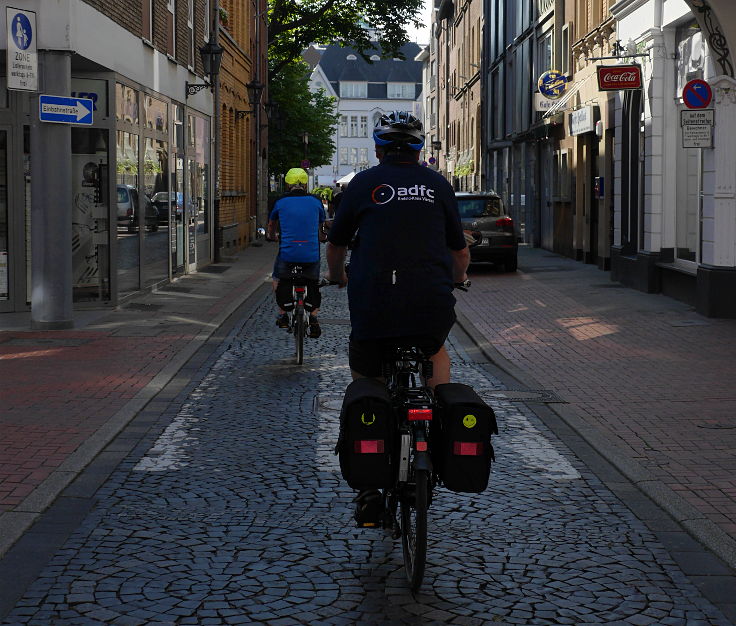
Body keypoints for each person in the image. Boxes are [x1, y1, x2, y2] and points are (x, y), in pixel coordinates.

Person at [326, 111, 470, 525]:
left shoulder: (363, 184)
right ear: (419, 148)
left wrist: (337, 278)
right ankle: (437, 423)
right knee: (435, 348)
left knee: (367, 377)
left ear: (378, 148)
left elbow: (336, 247)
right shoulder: (438, 185)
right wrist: (459, 280)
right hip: (429, 301)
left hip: (374, 301)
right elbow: (459, 253)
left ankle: (371, 487)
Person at [268, 167, 327, 338]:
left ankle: (282, 314)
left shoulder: (280, 202)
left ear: (288, 183)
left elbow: (271, 225)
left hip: (288, 253)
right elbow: (321, 225)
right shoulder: (316, 201)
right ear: (305, 183)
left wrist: (272, 237)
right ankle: (314, 317)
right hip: (311, 253)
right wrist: (322, 236)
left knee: (277, 277)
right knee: (313, 282)